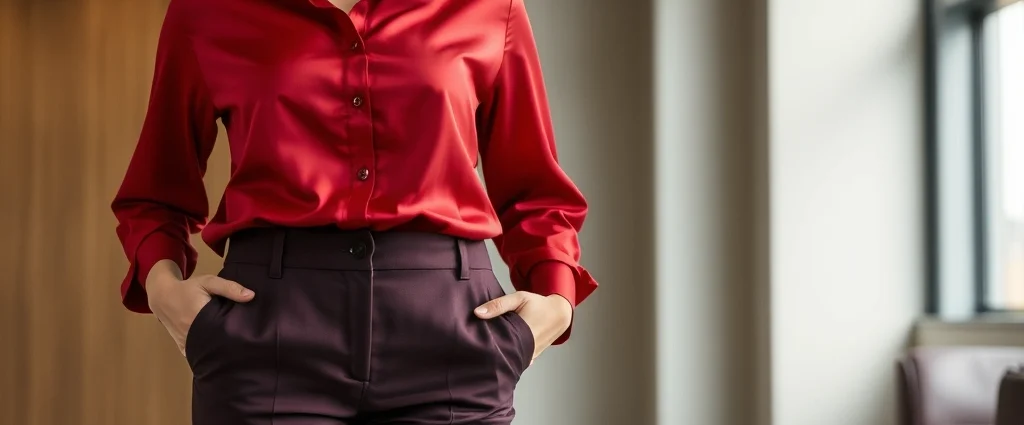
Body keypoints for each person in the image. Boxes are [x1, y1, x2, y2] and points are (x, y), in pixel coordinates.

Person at [111, 0, 597, 423]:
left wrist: (555, 299)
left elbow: (535, 191)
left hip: (451, 330)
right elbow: (156, 191)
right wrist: (164, 289)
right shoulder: (208, 9)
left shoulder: (488, 5)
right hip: (268, 333)